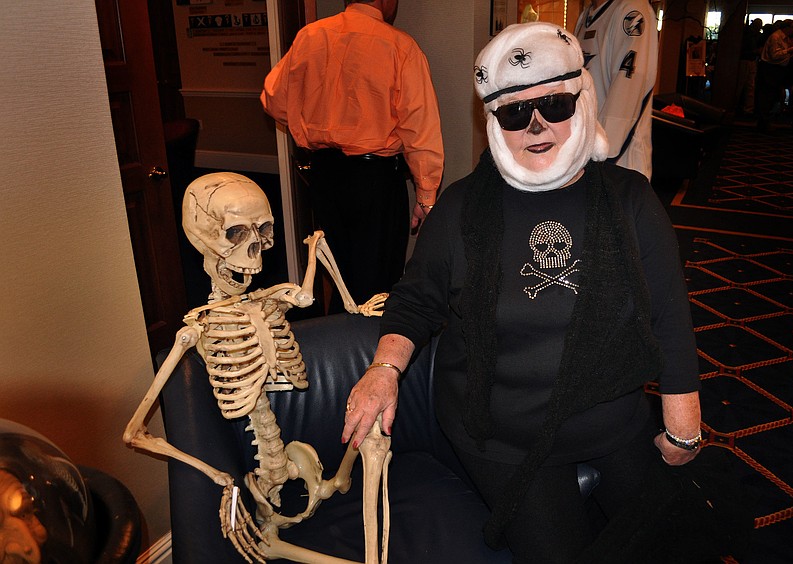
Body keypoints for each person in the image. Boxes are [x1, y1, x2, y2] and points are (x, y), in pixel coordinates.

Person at [342, 22, 702, 563]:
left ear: (581, 101)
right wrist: (383, 369)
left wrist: (683, 423)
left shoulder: (630, 199)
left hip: (614, 417)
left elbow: (669, 318)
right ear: (494, 122)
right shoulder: (462, 207)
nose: (536, 126)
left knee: (674, 544)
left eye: (553, 105)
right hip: (501, 430)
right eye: (514, 113)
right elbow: (415, 299)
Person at [261, 0, 444, 310]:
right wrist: (426, 197)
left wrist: (309, 118)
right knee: (377, 287)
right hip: (375, 179)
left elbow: (274, 101)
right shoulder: (399, 46)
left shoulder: (310, 36)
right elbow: (419, 127)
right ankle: (367, 353)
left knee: (338, 274)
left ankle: (338, 350)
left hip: (323, 176)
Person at [574, 0, 658, 180]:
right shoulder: (585, 17)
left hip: (618, 160)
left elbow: (626, 93)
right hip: (587, 154)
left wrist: (601, 155)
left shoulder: (633, 10)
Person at [755, 19, 793, 132]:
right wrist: (791, 50)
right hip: (770, 68)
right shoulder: (776, 37)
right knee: (767, 95)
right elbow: (774, 55)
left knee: (771, 95)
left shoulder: (784, 38)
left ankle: (765, 121)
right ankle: (763, 122)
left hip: (777, 69)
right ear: (787, 28)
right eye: (792, 27)